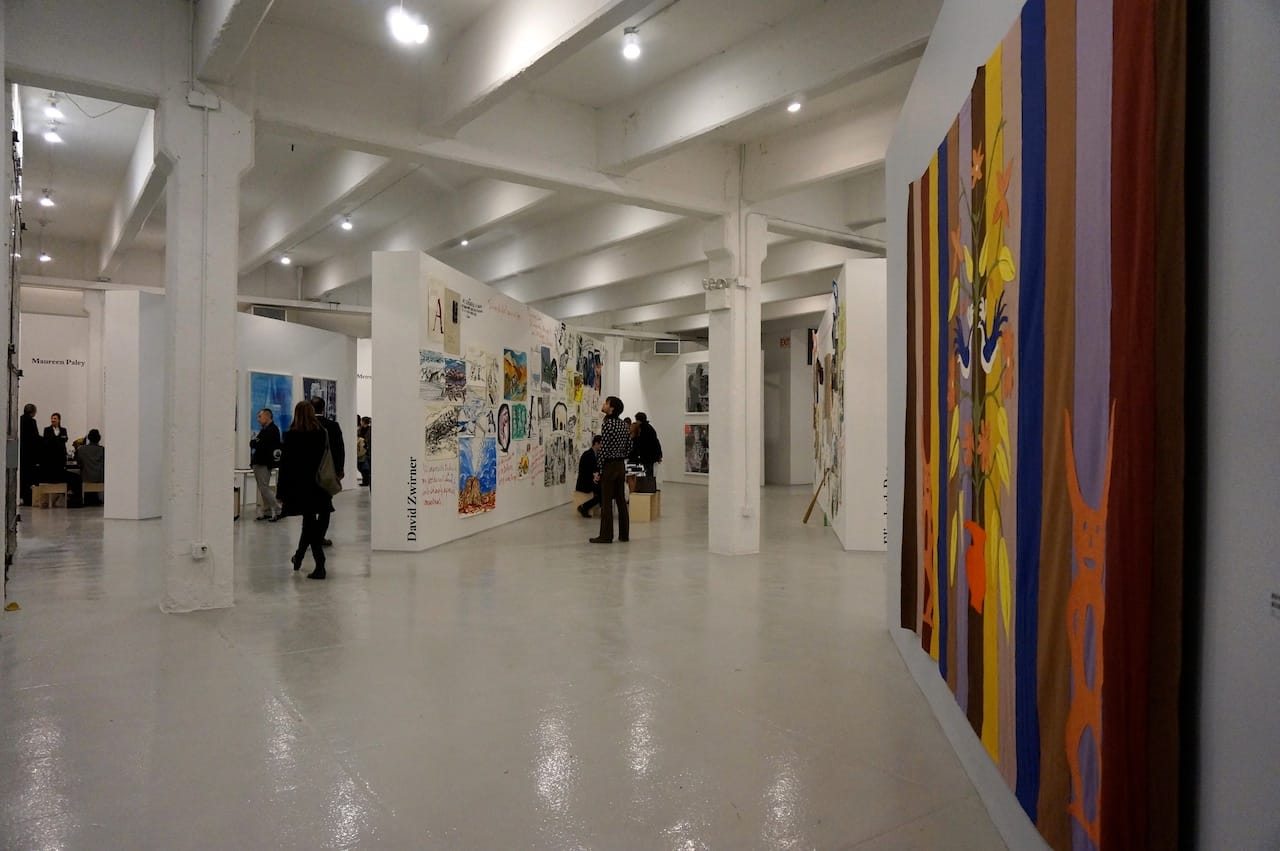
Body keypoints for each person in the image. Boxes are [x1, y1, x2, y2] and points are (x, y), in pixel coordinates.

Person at [276, 401, 332, 579]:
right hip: (319, 485)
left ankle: (320, 564)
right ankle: (299, 557)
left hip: (300, 486)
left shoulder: (292, 435)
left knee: (309, 524)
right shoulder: (322, 433)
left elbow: (285, 466)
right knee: (309, 525)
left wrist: (281, 492)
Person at [591, 396, 631, 544]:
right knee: (621, 500)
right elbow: (629, 446)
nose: (604, 405)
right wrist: (621, 455)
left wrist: (599, 468)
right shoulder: (623, 425)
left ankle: (606, 535)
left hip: (609, 465)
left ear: (611, 408)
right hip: (620, 465)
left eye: (607, 403)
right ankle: (624, 534)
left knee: (607, 501)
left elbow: (604, 448)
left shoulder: (608, 424)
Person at [310, 395, 345, 546]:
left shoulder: (304, 426)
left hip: (308, 473)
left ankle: (310, 536)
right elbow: (339, 449)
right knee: (325, 505)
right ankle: (320, 536)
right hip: (327, 472)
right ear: (323, 408)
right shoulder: (332, 425)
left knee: (310, 507)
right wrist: (339, 469)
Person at [250, 408, 282, 521]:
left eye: (260, 416)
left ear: (267, 417)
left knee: (264, 488)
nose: (258, 419)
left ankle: (278, 509)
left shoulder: (271, 430)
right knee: (262, 487)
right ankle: (267, 510)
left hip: (263, 463)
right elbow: (254, 443)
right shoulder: (265, 430)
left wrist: (255, 442)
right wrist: (255, 442)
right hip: (260, 462)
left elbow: (257, 444)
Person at [73, 429, 105, 507]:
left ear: (89, 438)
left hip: (86, 478)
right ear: (99, 438)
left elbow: (78, 462)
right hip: (100, 478)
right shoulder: (102, 450)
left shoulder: (81, 449)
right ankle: (95, 499)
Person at [575, 436, 603, 518]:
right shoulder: (587, 454)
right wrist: (594, 476)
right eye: (601, 444)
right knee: (602, 494)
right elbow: (584, 471)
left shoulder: (597, 455)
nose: (602, 446)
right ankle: (584, 507)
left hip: (592, 480)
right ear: (596, 443)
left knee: (603, 491)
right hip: (585, 482)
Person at [630, 412, 663, 479]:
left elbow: (641, 442)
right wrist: (659, 454)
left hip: (647, 456)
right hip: (651, 455)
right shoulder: (649, 427)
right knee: (650, 473)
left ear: (639, 420)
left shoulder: (643, 429)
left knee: (647, 473)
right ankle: (650, 484)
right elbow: (656, 442)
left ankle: (648, 484)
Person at [19, 404, 41, 506]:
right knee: (30, 476)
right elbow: (35, 437)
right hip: (30, 453)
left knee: (22, 476)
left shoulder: (20, 419)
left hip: (21, 452)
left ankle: (21, 496)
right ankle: (28, 498)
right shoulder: (32, 421)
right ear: (33, 412)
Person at [41, 412, 70, 485]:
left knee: (61, 474)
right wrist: (59, 439)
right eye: (52, 418)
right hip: (51, 456)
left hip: (61, 456)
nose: (53, 420)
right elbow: (46, 441)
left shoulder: (63, 430)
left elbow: (65, 439)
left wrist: (57, 439)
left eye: (55, 418)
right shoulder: (47, 429)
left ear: (59, 420)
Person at [356, 416, 372, 487]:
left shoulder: (370, 430)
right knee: (361, 467)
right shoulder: (360, 429)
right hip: (361, 450)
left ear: (363, 422)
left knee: (365, 468)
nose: (360, 422)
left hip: (367, 451)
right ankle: (366, 481)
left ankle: (366, 482)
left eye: (361, 421)